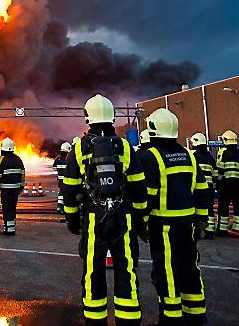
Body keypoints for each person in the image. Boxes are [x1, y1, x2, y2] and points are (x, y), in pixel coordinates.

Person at [63, 95, 148, 326]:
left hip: (93, 217)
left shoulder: (80, 148)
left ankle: (94, 319)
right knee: (126, 269)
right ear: (112, 117)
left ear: (88, 117)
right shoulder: (125, 146)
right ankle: (128, 319)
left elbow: (69, 188)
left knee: (93, 269)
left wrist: (72, 219)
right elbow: (139, 187)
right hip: (123, 218)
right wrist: (140, 221)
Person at [139, 108, 210, 325]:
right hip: (188, 223)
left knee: (167, 269)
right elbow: (202, 189)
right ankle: (196, 313)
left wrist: (141, 223)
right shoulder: (189, 155)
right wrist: (202, 220)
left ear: (153, 130)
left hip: (164, 225)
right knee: (190, 266)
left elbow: (148, 195)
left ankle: (171, 316)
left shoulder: (152, 157)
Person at [215, 129, 239, 235]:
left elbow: (219, 170)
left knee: (223, 207)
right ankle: (238, 228)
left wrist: (217, 184)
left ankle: (222, 229)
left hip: (226, 185)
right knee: (238, 207)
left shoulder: (222, 153)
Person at [0, 137, 25, 236]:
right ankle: (11, 228)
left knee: (7, 208)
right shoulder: (18, 159)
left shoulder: (1, 159)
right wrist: (21, 187)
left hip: (6, 189)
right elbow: (23, 174)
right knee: (12, 207)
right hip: (16, 189)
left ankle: (8, 230)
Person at [189, 133, 217, 240]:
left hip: (196, 188)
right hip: (209, 188)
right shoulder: (209, 157)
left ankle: (196, 230)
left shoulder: (192, 155)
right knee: (209, 208)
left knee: (196, 208)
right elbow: (215, 174)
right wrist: (213, 187)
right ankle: (209, 231)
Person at [53, 141, 72, 213]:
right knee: (66, 193)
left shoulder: (57, 158)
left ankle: (60, 206)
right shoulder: (68, 158)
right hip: (67, 179)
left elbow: (54, 168)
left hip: (60, 180)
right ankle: (63, 207)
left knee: (61, 192)